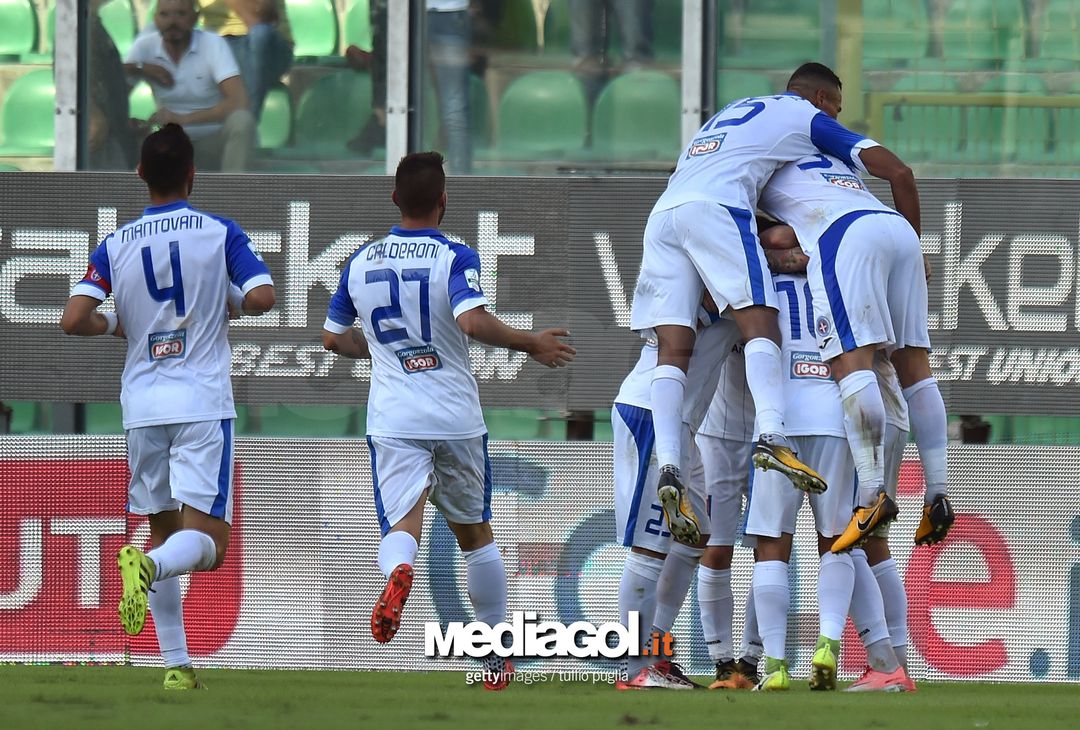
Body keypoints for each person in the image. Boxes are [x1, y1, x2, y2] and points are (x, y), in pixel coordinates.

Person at [629, 61, 917, 552]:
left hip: (665, 211)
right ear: (823, 99)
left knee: (673, 350)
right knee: (760, 319)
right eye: (837, 109)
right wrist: (912, 243)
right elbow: (893, 168)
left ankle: (670, 464)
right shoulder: (806, 115)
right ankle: (772, 436)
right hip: (718, 206)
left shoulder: (729, 113)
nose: (836, 120)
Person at [320, 151, 575, 691]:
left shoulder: (359, 261)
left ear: (394, 198)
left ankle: (398, 572)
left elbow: (333, 339)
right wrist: (530, 343)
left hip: (394, 417)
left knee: (400, 526)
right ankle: (496, 657)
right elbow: (471, 319)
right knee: (476, 536)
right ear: (443, 201)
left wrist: (385, 353)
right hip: (455, 417)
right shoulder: (455, 255)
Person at [60, 123, 276, 690]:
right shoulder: (217, 231)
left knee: (162, 532)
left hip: (143, 405)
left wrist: (117, 324)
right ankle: (147, 567)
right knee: (208, 545)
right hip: (201, 401)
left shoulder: (117, 243)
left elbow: (74, 319)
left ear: (140, 175)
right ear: (192, 174)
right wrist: (227, 304)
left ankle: (176, 667)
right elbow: (262, 296)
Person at [758, 143, 953, 553]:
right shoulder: (834, 162)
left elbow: (776, 237)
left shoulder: (765, 165)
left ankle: (871, 497)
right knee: (917, 369)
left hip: (847, 238)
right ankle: (937, 494)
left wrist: (780, 248)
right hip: (897, 229)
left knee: (852, 364)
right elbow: (901, 175)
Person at [742, 266, 913, 693]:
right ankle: (828, 644)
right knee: (839, 539)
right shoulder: (837, 273)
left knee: (771, 546)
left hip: (777, 421)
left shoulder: (755, 275)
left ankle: (776, 666)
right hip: (834, 416)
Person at [611, 307, 738, 689]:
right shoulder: (726, 275)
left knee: (696, 535)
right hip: (652, 413)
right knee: (650, 548)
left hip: (680, 425)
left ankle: (657, 650)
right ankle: (633, 669)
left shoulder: (739, 273)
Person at [693, 344, 760, 689]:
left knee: (770, 551)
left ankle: (751, 659)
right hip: (717, 434)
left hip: (772, 435)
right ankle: (721, 659)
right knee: (717, 548)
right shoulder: (720, 292)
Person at [125, 0, 257, 171]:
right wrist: (140, 67)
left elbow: (239, 101)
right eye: (164, 15)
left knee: (242, 121)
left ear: (195, 18)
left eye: (180, 14)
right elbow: (112, 85)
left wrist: (183, 120)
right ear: (155, 19)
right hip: (170, 143)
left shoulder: (213, 44)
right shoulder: (145, 46)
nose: (172, 21)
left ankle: (234, 193)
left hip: (212, 140)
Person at [198, 0, 294, 121]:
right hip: (221, 44)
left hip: (267, 47)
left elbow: (264, 15)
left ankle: (248, 123)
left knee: (260, 33)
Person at [89, 0, 137, 170]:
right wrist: (93, 113)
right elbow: (69, 70)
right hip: (101, 131)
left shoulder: (92, 24)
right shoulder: (78, 26)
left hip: (113, 126)